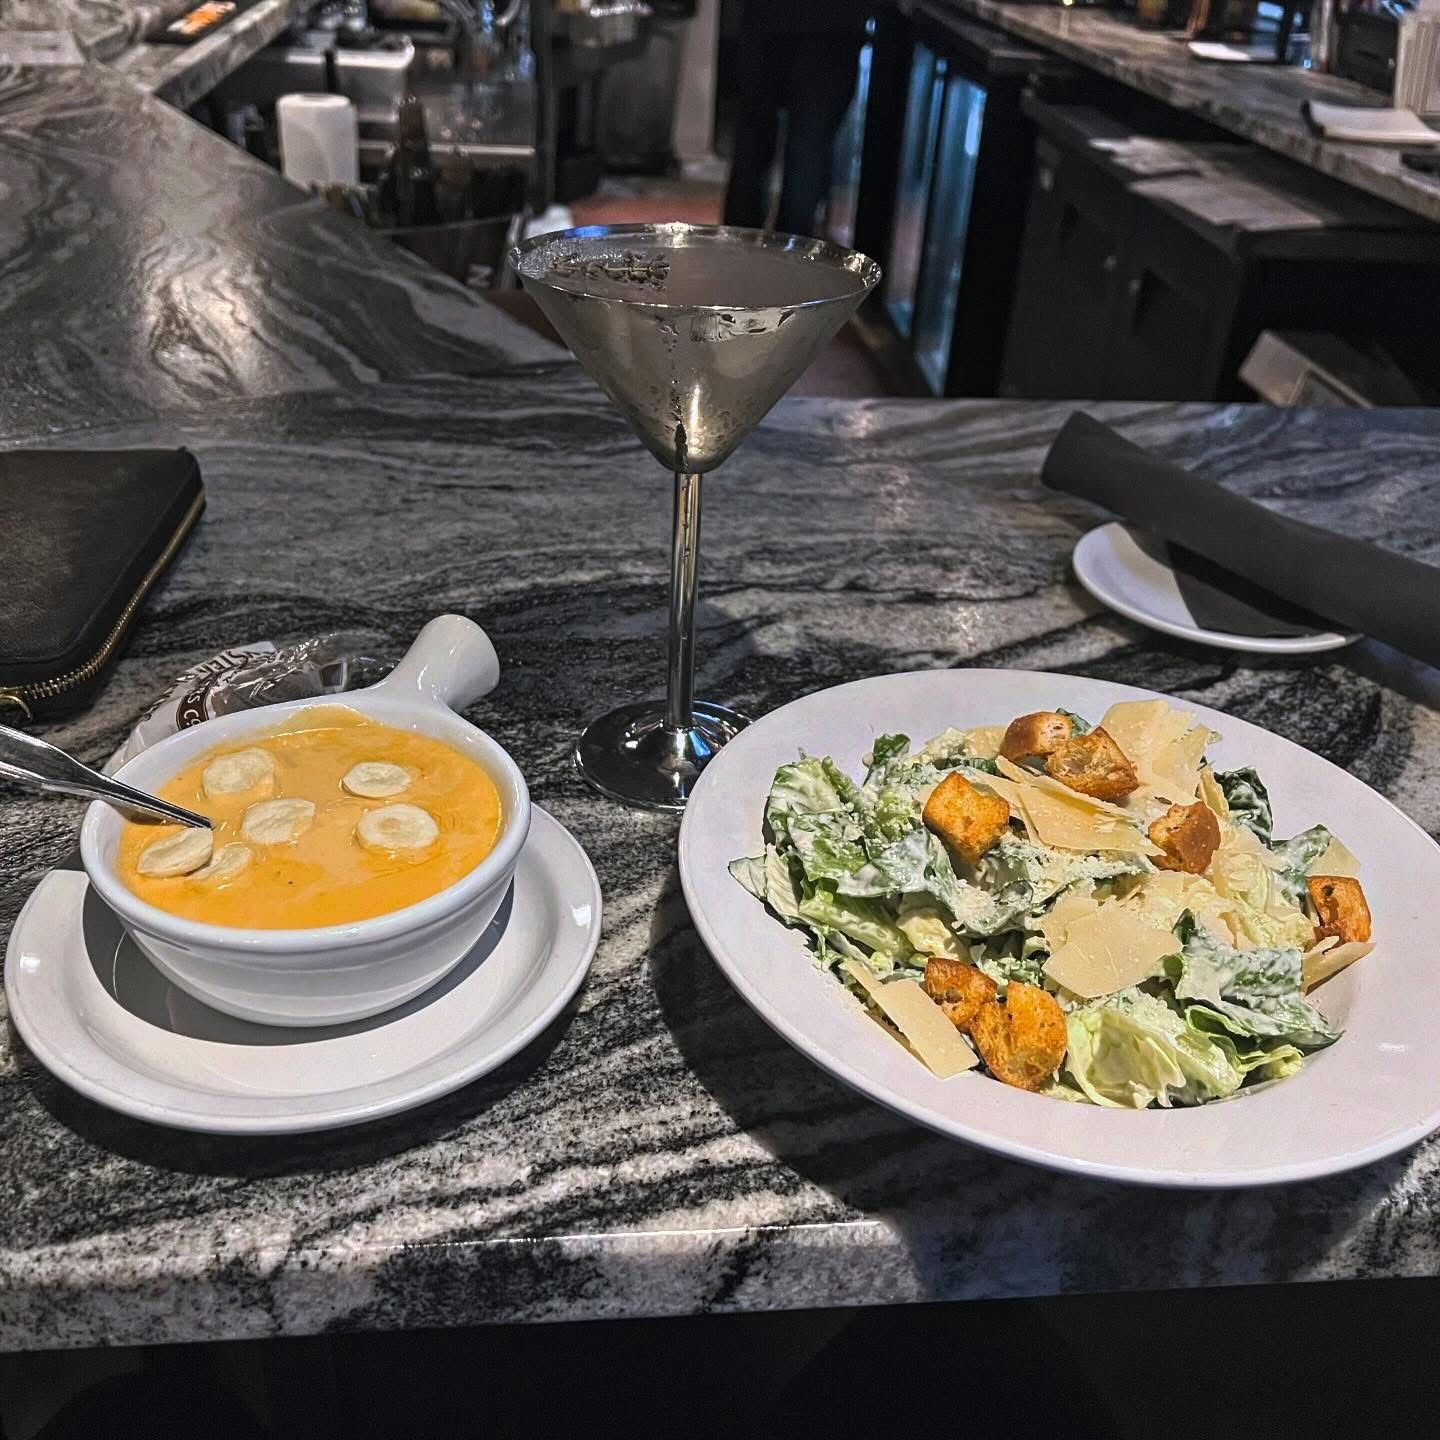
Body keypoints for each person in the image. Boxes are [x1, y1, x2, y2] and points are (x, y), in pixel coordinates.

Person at [722, 0, 872, 238]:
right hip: (834, 24)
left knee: (753, 143)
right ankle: (793, 253)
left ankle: (738, 249)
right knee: (808, 150)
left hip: (766, 17)